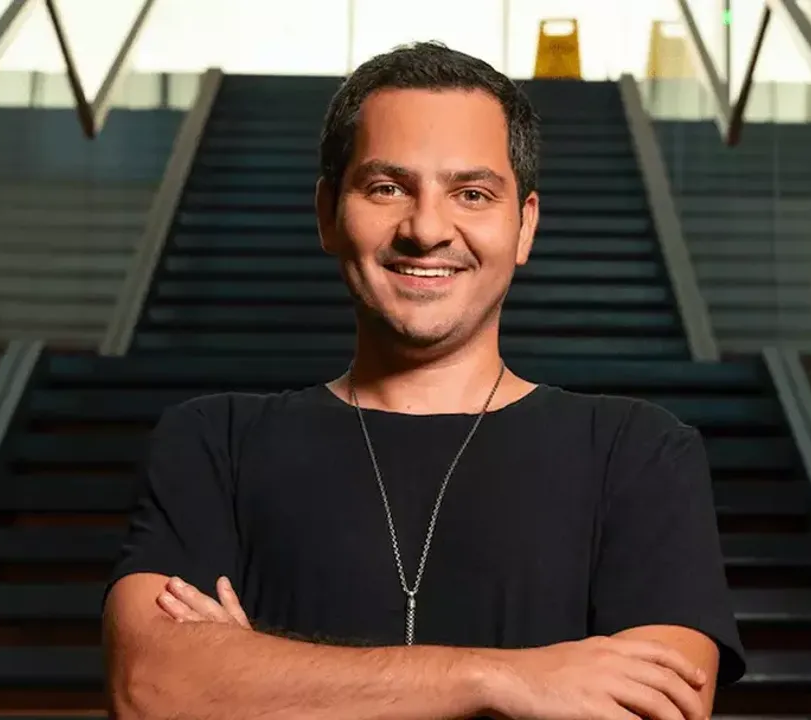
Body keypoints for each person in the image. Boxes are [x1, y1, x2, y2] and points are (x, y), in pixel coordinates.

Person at [103, 41, 744, 720]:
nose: (428, 229)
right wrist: (503, 678)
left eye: (472, 194)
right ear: (327, 212)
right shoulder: (214, 442)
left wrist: (254, 671)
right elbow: (154, 689)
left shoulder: (638, 452)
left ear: (524, 225)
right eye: (387, 187)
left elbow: (661, 706)